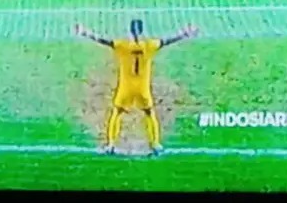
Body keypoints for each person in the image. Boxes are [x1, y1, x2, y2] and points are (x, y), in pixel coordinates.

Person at [75, 20, 198, 156]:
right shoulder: (150, 45)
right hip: (142, 88)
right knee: (149, 113)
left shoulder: (123, 45)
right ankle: (155, 144)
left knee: (117, 113)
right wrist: (184, 33)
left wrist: (86, 33)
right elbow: (167, 41)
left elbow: (104, 41)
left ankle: (111, 144)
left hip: (126, 88)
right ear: (141, 31)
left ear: (130, 31)